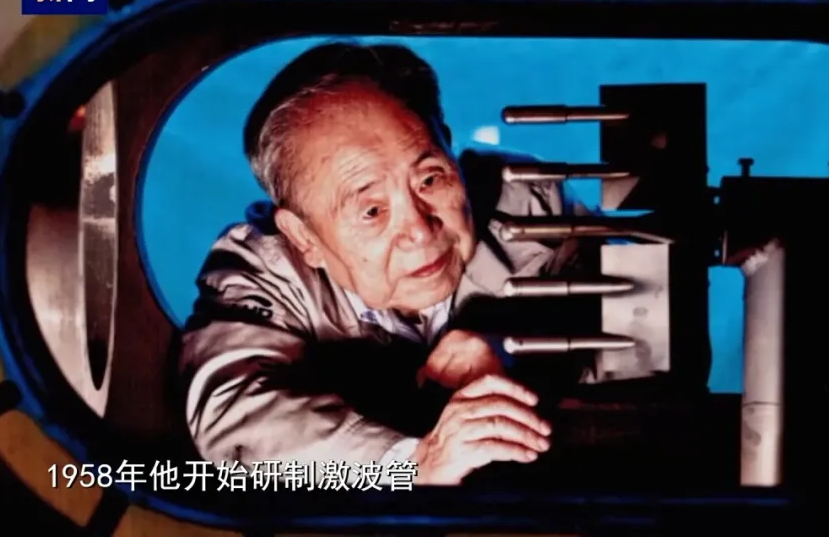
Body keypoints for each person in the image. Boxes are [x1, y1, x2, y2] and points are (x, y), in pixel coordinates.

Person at [178, 41, 600, 486]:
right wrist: (411, 464)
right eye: (372, 211)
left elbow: (636, 317)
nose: (419, 230)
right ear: (303, 237)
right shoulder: (263, 269)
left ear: (450, 148)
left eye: (430, 179)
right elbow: (235, 413)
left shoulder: (530, 204)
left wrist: (518, 347)